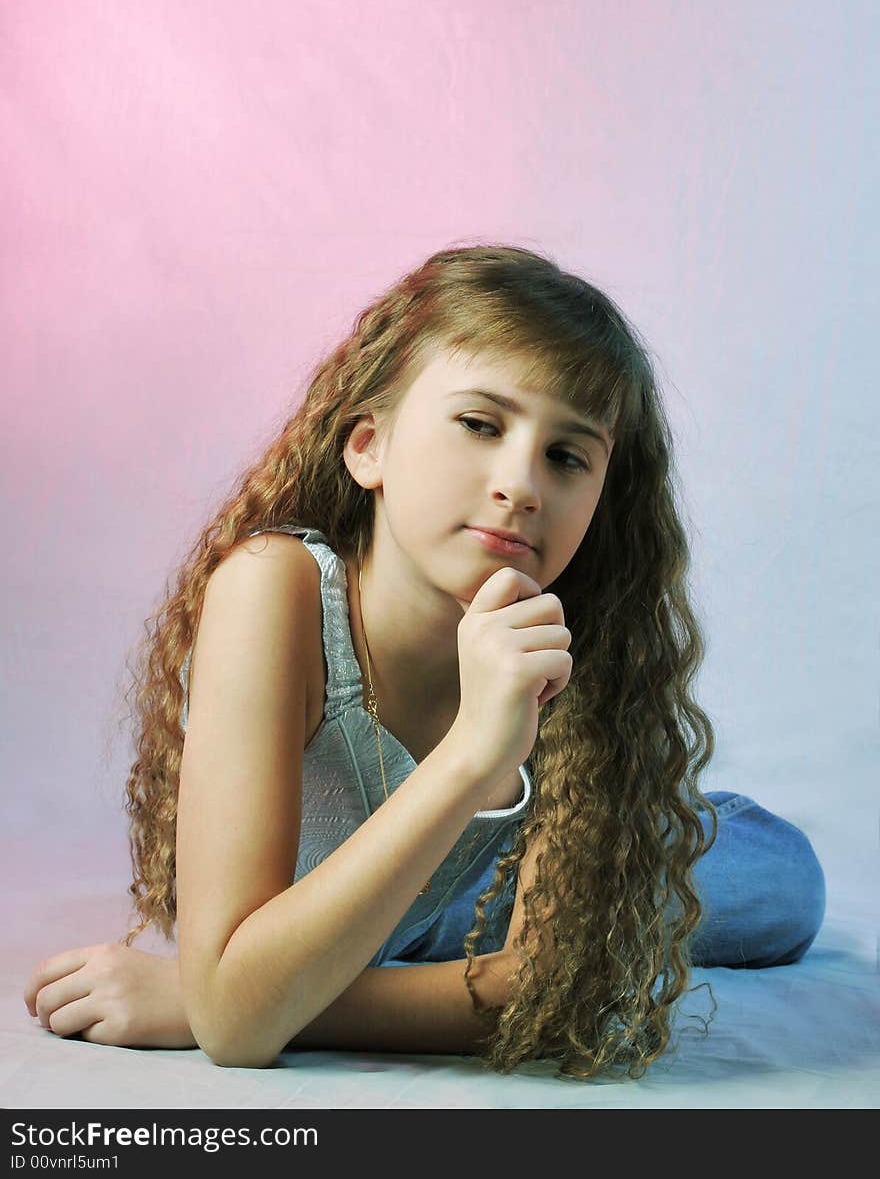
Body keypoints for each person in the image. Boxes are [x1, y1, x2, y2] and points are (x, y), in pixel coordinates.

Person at [23, 243, 825, 1080]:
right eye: (481, 425)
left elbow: (546, 994)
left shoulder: (573, 637)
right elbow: (241, 1027)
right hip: (366, 906)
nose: (521, 484)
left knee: (782, 883)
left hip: (493, 894)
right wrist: (475, 753)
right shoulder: (272, 591)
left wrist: (220, 995)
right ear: (368, 447)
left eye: (567, 455)